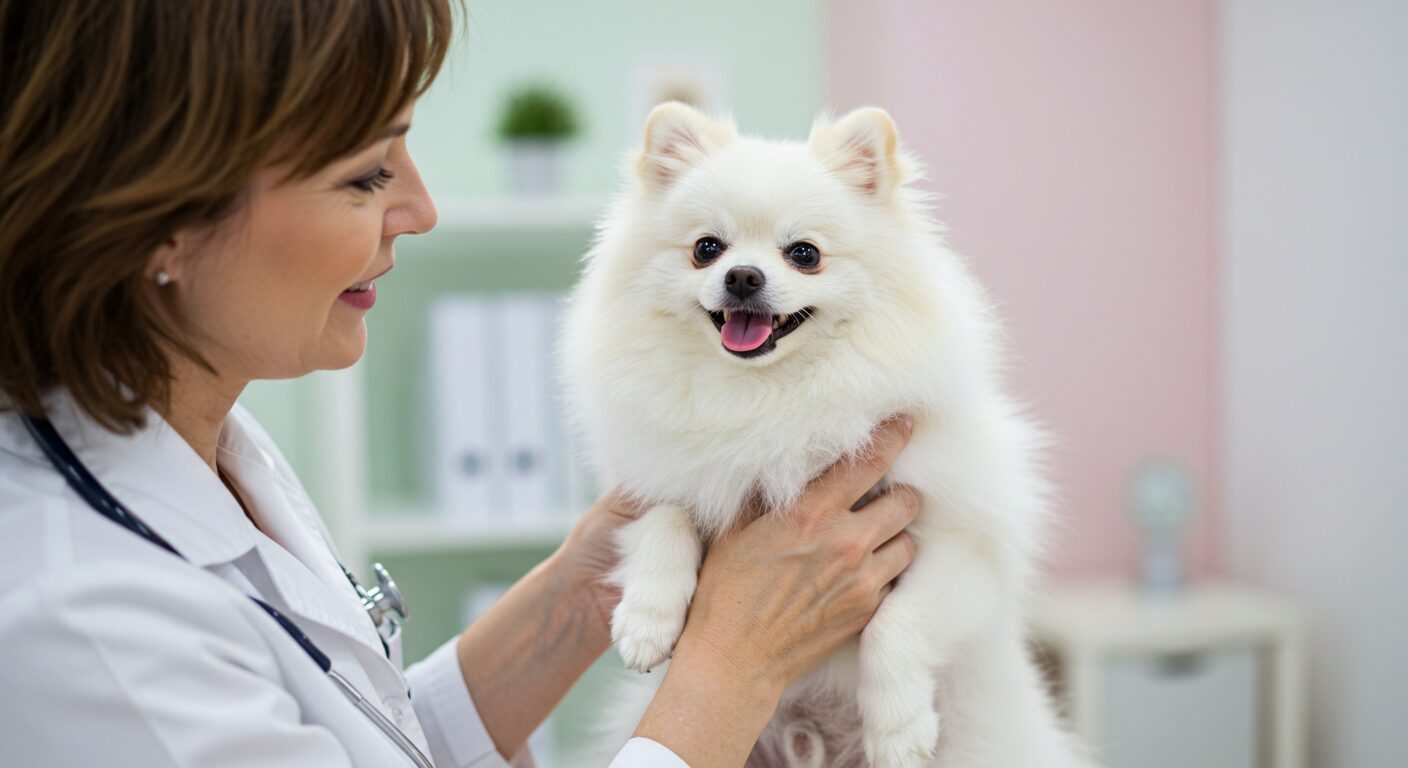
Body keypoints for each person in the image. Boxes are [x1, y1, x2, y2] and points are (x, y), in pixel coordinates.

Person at [0, 1, 919, 766]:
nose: (422, 210)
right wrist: (731, 664)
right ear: (161, 216)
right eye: (365, 176)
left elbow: (375, 741)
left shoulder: (209, 443)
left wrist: (584, 588)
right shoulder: (81, 625)